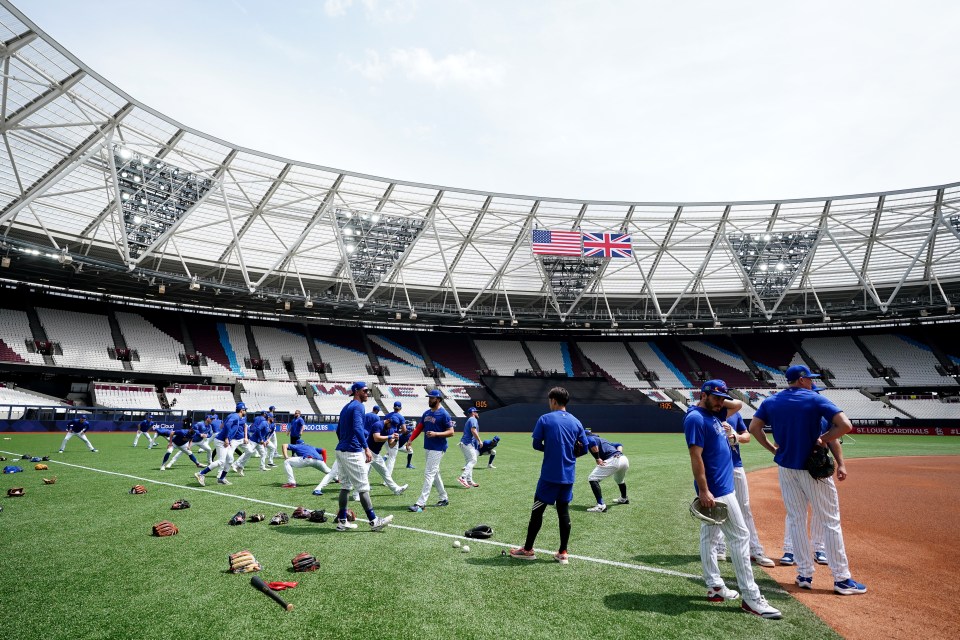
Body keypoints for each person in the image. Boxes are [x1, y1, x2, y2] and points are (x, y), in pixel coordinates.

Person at [749, 366, 865, 595]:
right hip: (813, 469)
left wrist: (772, 448)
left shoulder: (771, 401)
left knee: (796, 519)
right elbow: (845, 426)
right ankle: (842, 579)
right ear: (801, 380)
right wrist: (824, 439)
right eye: (809, 379)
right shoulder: (814, 399)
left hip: (786, 467)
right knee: (830, 521)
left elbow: (754, 428)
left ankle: (804, 574)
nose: (811, 383)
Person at [685, 380, 782, 619]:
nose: (721, 402)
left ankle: (714, 586)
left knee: (708, 537)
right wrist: (704, 491)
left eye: (722, 398)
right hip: (718, 490)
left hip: (723, 486)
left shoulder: (715, 413)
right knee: (740, 537)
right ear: (703, 395)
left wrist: (720, 400)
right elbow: (695, 457)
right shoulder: (696, 418)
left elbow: (737, 403)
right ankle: (751, 598)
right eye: (716, 398)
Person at [509, 386, 588, 564]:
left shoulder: (545, 419)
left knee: (537, 512)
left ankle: (528, 550)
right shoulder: (576, 422)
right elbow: (584, 448)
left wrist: (551, 449)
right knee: (563, 513)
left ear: (553, 400)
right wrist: (569, 453)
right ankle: (563, 553)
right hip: (568, 476)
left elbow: (536, 445)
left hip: (549, 476)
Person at [710, 410, 775, 567]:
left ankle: (754, 550)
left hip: (735, 465)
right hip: (716, 467)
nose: (722, 400)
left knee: (744, 507)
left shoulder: (735, 415)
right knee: (718, 506)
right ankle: (719, 547)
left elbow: (747, 436)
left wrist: (736, 437)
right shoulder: (704, 413)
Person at [333, 382, 392, 532]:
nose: (368, 393)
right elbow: (358, 428)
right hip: (352, 451)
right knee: (363, 487)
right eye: (365, 391)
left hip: (341, 450)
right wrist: (366, 448)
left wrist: (344, 442)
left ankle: (342, 521)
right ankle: (374, 521)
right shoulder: (359, 406)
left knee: (345, 486)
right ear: (356, 391)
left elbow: (338, 430)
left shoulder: (346, 407)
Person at [406, 389, 454, 512]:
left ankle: (421, 503)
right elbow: (419, 428)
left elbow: (451, 432)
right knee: (435, 473)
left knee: (429, 473)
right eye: (429, 397)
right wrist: (410, 439)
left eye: (432, 398)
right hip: (428, 447)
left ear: (438, 400)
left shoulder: (444, 414)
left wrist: (436, 434)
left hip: (438, 448)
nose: (430, 400)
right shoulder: (426, 413)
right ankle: (444, 498)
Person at [194, 402, 248, 486]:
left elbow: (221, 426)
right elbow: (226, 426)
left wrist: (228, 438)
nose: (246, 412)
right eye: (245, 410)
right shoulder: (235, 417)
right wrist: (226, 438)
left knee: (230, 460)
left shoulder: (232, 415)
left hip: (223, 440)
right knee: (221, 461)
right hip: (221, 440)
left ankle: (221, 478)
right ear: (242, 410)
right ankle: (201, 473)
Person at [584, 435, 630, 512]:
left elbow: (591, 441)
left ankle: (601, 505)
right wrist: (619, 453)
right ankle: (624, 498)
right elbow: (619, 444)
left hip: (614, 460)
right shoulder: (603, 440)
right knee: (619, 479)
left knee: (592, 478)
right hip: (624, 459)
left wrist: (597, 458)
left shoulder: (589, 438)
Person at [365, 415, 408, 495]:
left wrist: (395, 439)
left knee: (385, 472)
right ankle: (357, 494)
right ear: (388, 421)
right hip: (367, 451)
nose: (390, 428)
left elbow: (391, 445)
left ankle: (396, 489)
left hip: (376, 454)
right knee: (364, 472)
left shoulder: (391, 429)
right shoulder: (378, 424)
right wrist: (390, 436)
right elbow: (376, 438)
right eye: (390, 425)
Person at [457, 406, 482, 488]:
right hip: (467, 443)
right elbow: (473, 430)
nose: (477, 413)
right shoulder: (473, 419)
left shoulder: (470, 419)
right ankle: (462, 477)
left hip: (464, 443)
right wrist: (480, 441)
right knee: (473, 460)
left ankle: (469, 481)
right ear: (473, 413)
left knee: (469, 462)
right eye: (476, 412)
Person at [383, 401, 405, 475]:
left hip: (386, 437)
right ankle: (387, 479)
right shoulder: (401, 417)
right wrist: (398, 433)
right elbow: (404, 430)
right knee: (392, 459)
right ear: (400, 408)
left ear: (393, 407)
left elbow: (383, 426)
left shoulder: (387, 415)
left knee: (389, 454)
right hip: (393, 437)